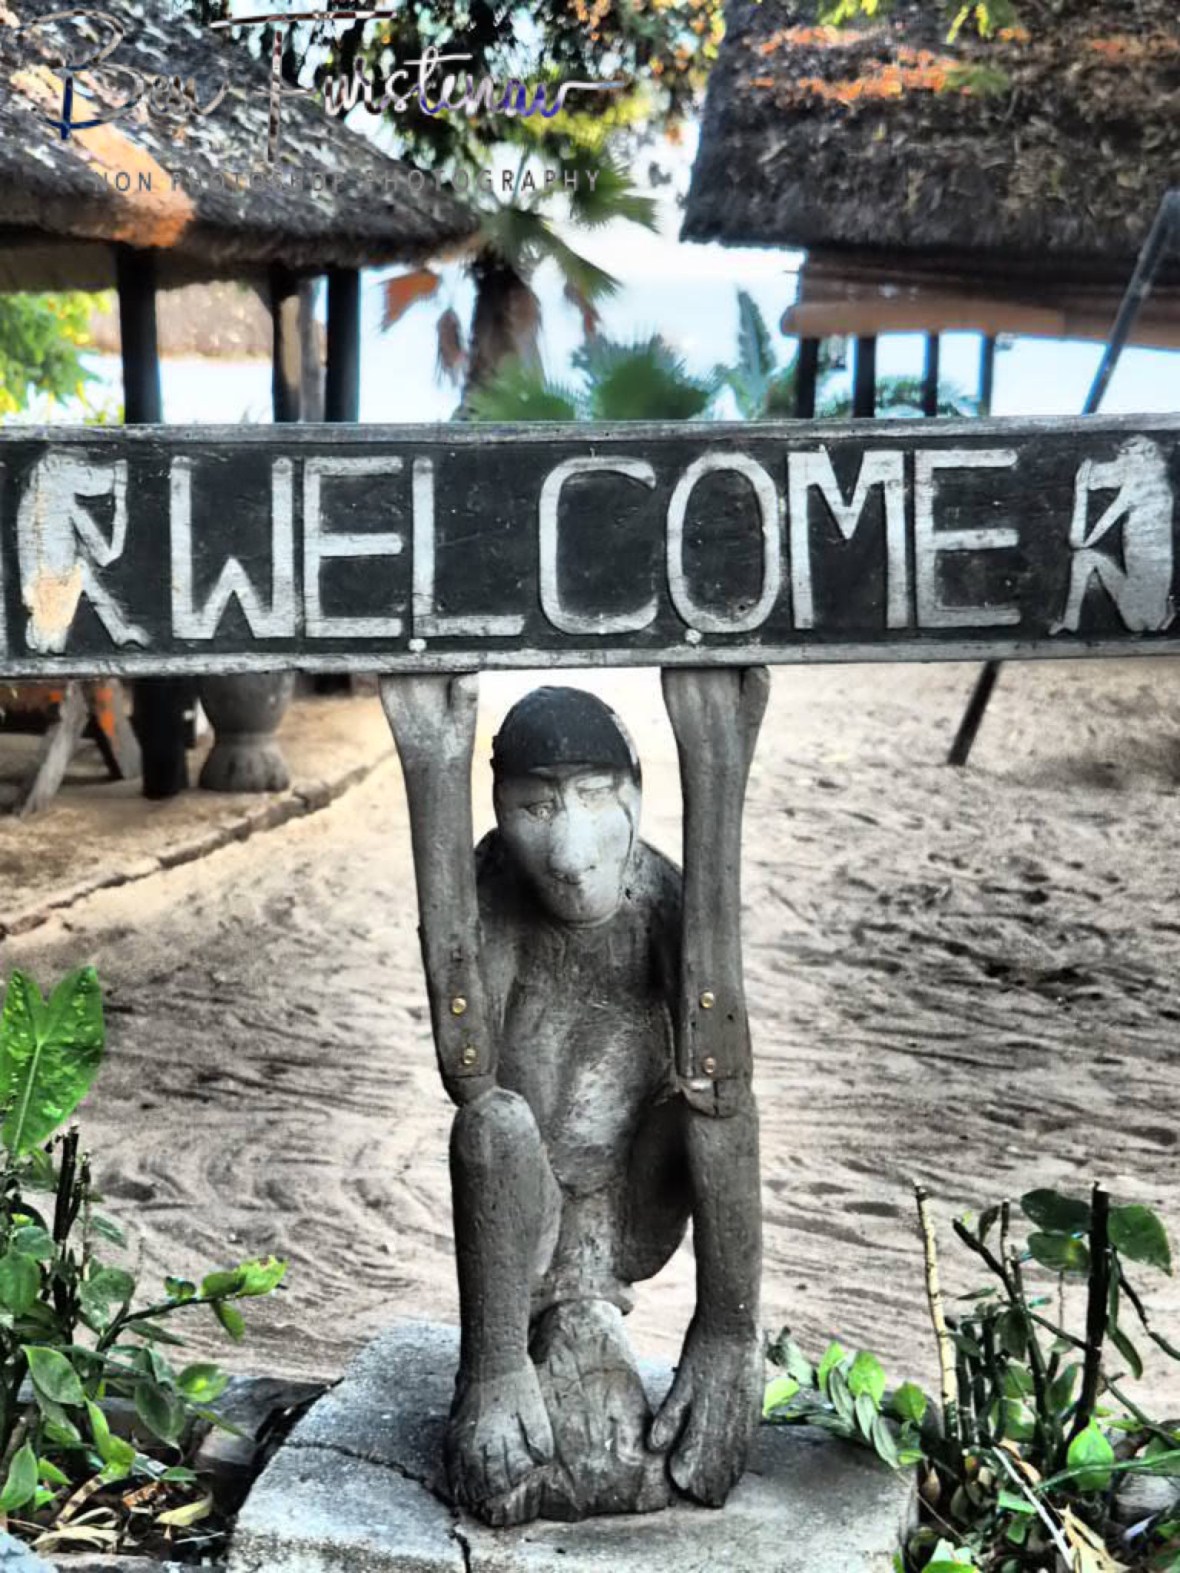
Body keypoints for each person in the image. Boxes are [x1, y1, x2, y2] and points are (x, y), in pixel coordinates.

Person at [444, 685, 762, 1526]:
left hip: (633, 1205)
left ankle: (729, 1339)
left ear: (635, 796)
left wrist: (728, 1337)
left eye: (594, 797)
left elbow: (722, 1074)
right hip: (528, 1216)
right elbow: (468, 1075)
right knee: (492, 1123)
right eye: (535, 805)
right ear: (501, 809)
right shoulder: (493, 888)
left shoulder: (660, 893)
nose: (570, 850)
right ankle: (496, 1365)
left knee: (714, 1101)